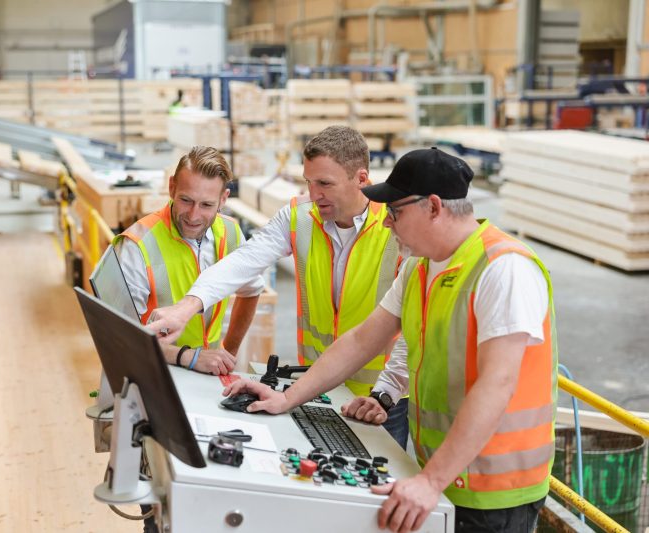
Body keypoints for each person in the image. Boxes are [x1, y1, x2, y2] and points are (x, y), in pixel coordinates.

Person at [216, 147, 558, 533]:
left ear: (433, 207)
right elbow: (362, 340)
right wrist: (286, 397)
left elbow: (498, 384)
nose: (386, 224)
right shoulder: (420, 268)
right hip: (447, 475)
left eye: (395, 213)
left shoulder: (504, 269)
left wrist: (430, 482)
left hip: (497, 491)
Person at [145, 126, 411, 450]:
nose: (314, 194)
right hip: (316, 387)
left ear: (361, 179)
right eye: (309, 182)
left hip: (378, 398)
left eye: (325, 183)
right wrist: (186, 307)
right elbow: (243, 261)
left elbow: (414, 324)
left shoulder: (397, 227)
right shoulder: (300, 217)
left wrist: (387, 391)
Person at [114, 145, 264, 375]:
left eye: (206, 205)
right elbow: (123, 336)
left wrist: (228, 353)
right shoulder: (137, 244)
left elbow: (251, 291)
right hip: (152, 369)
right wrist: (188, 357)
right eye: (186, 200)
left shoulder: (231, 234)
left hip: (207, 372)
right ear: (172, 187)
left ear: (223, 199)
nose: (193, 216)